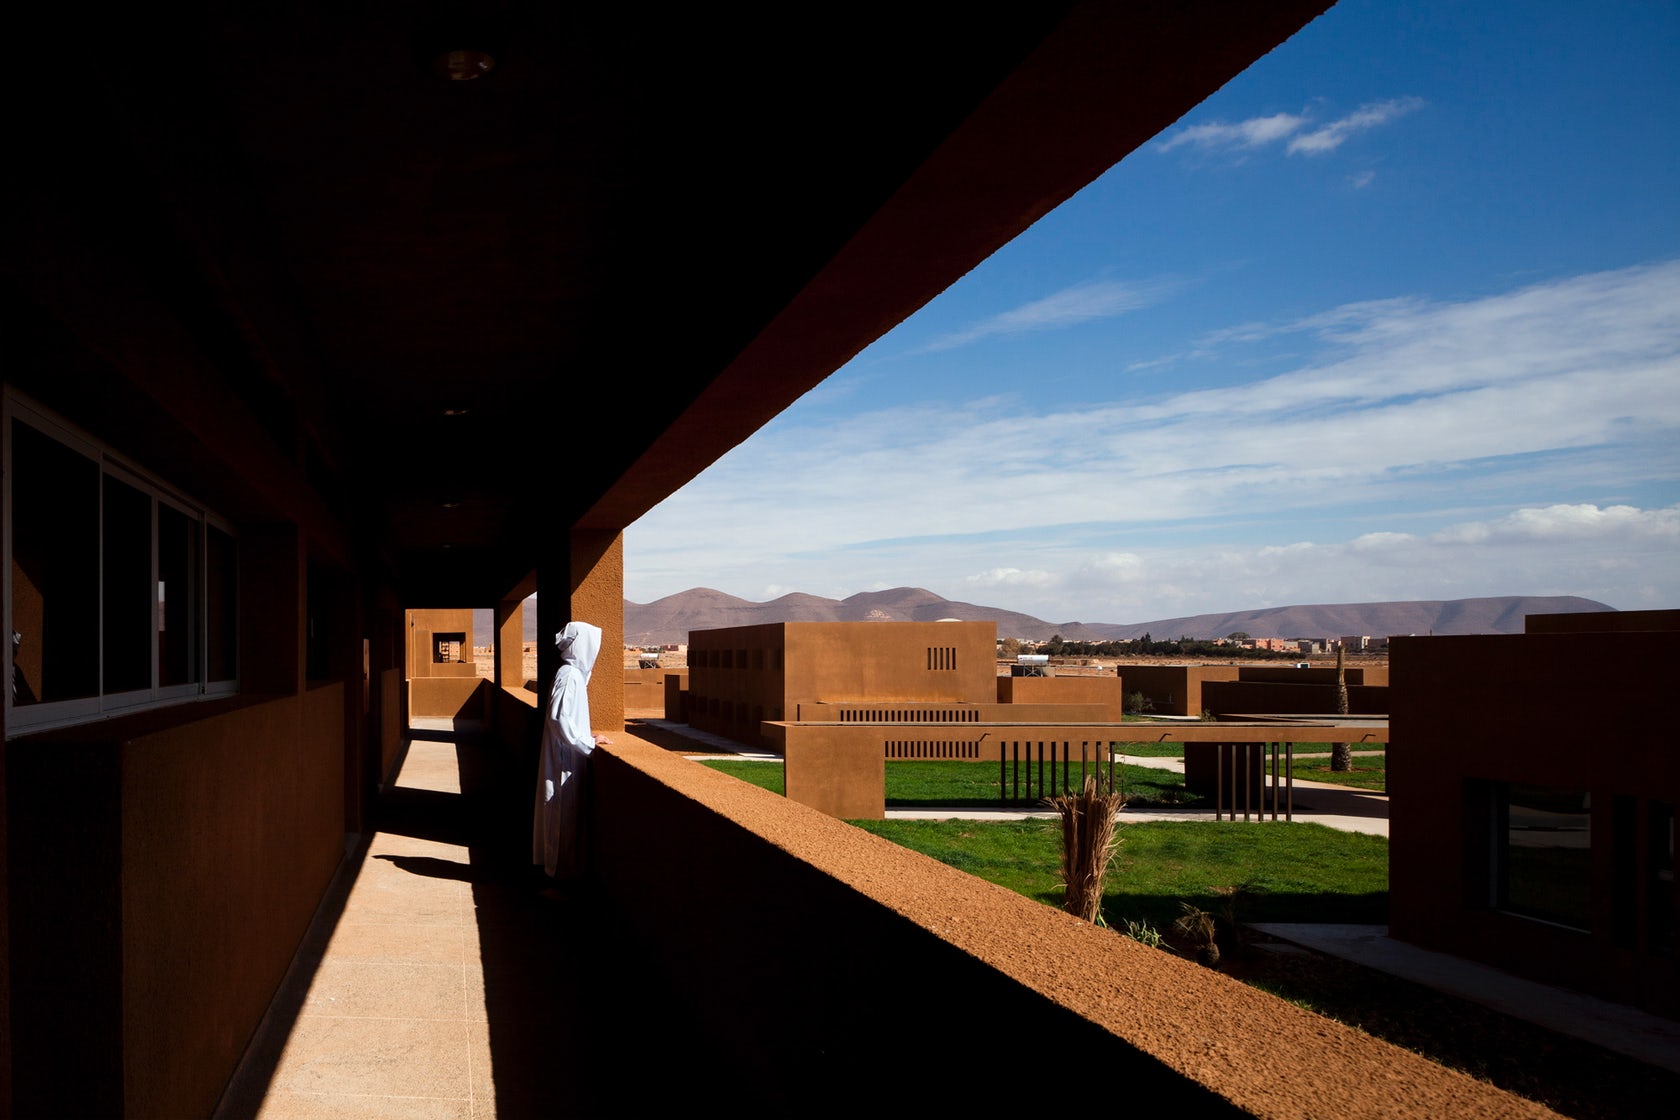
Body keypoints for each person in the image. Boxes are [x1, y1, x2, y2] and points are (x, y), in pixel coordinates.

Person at [532, 621, 611, 880]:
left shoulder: (571, 675)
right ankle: (557, 880)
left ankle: (559, 876)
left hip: (565, 753)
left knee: (563, 818)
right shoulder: (569, 676)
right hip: (563, 756)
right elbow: (560, 718)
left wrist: (585, 737)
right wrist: (586, 743)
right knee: (560, 818)